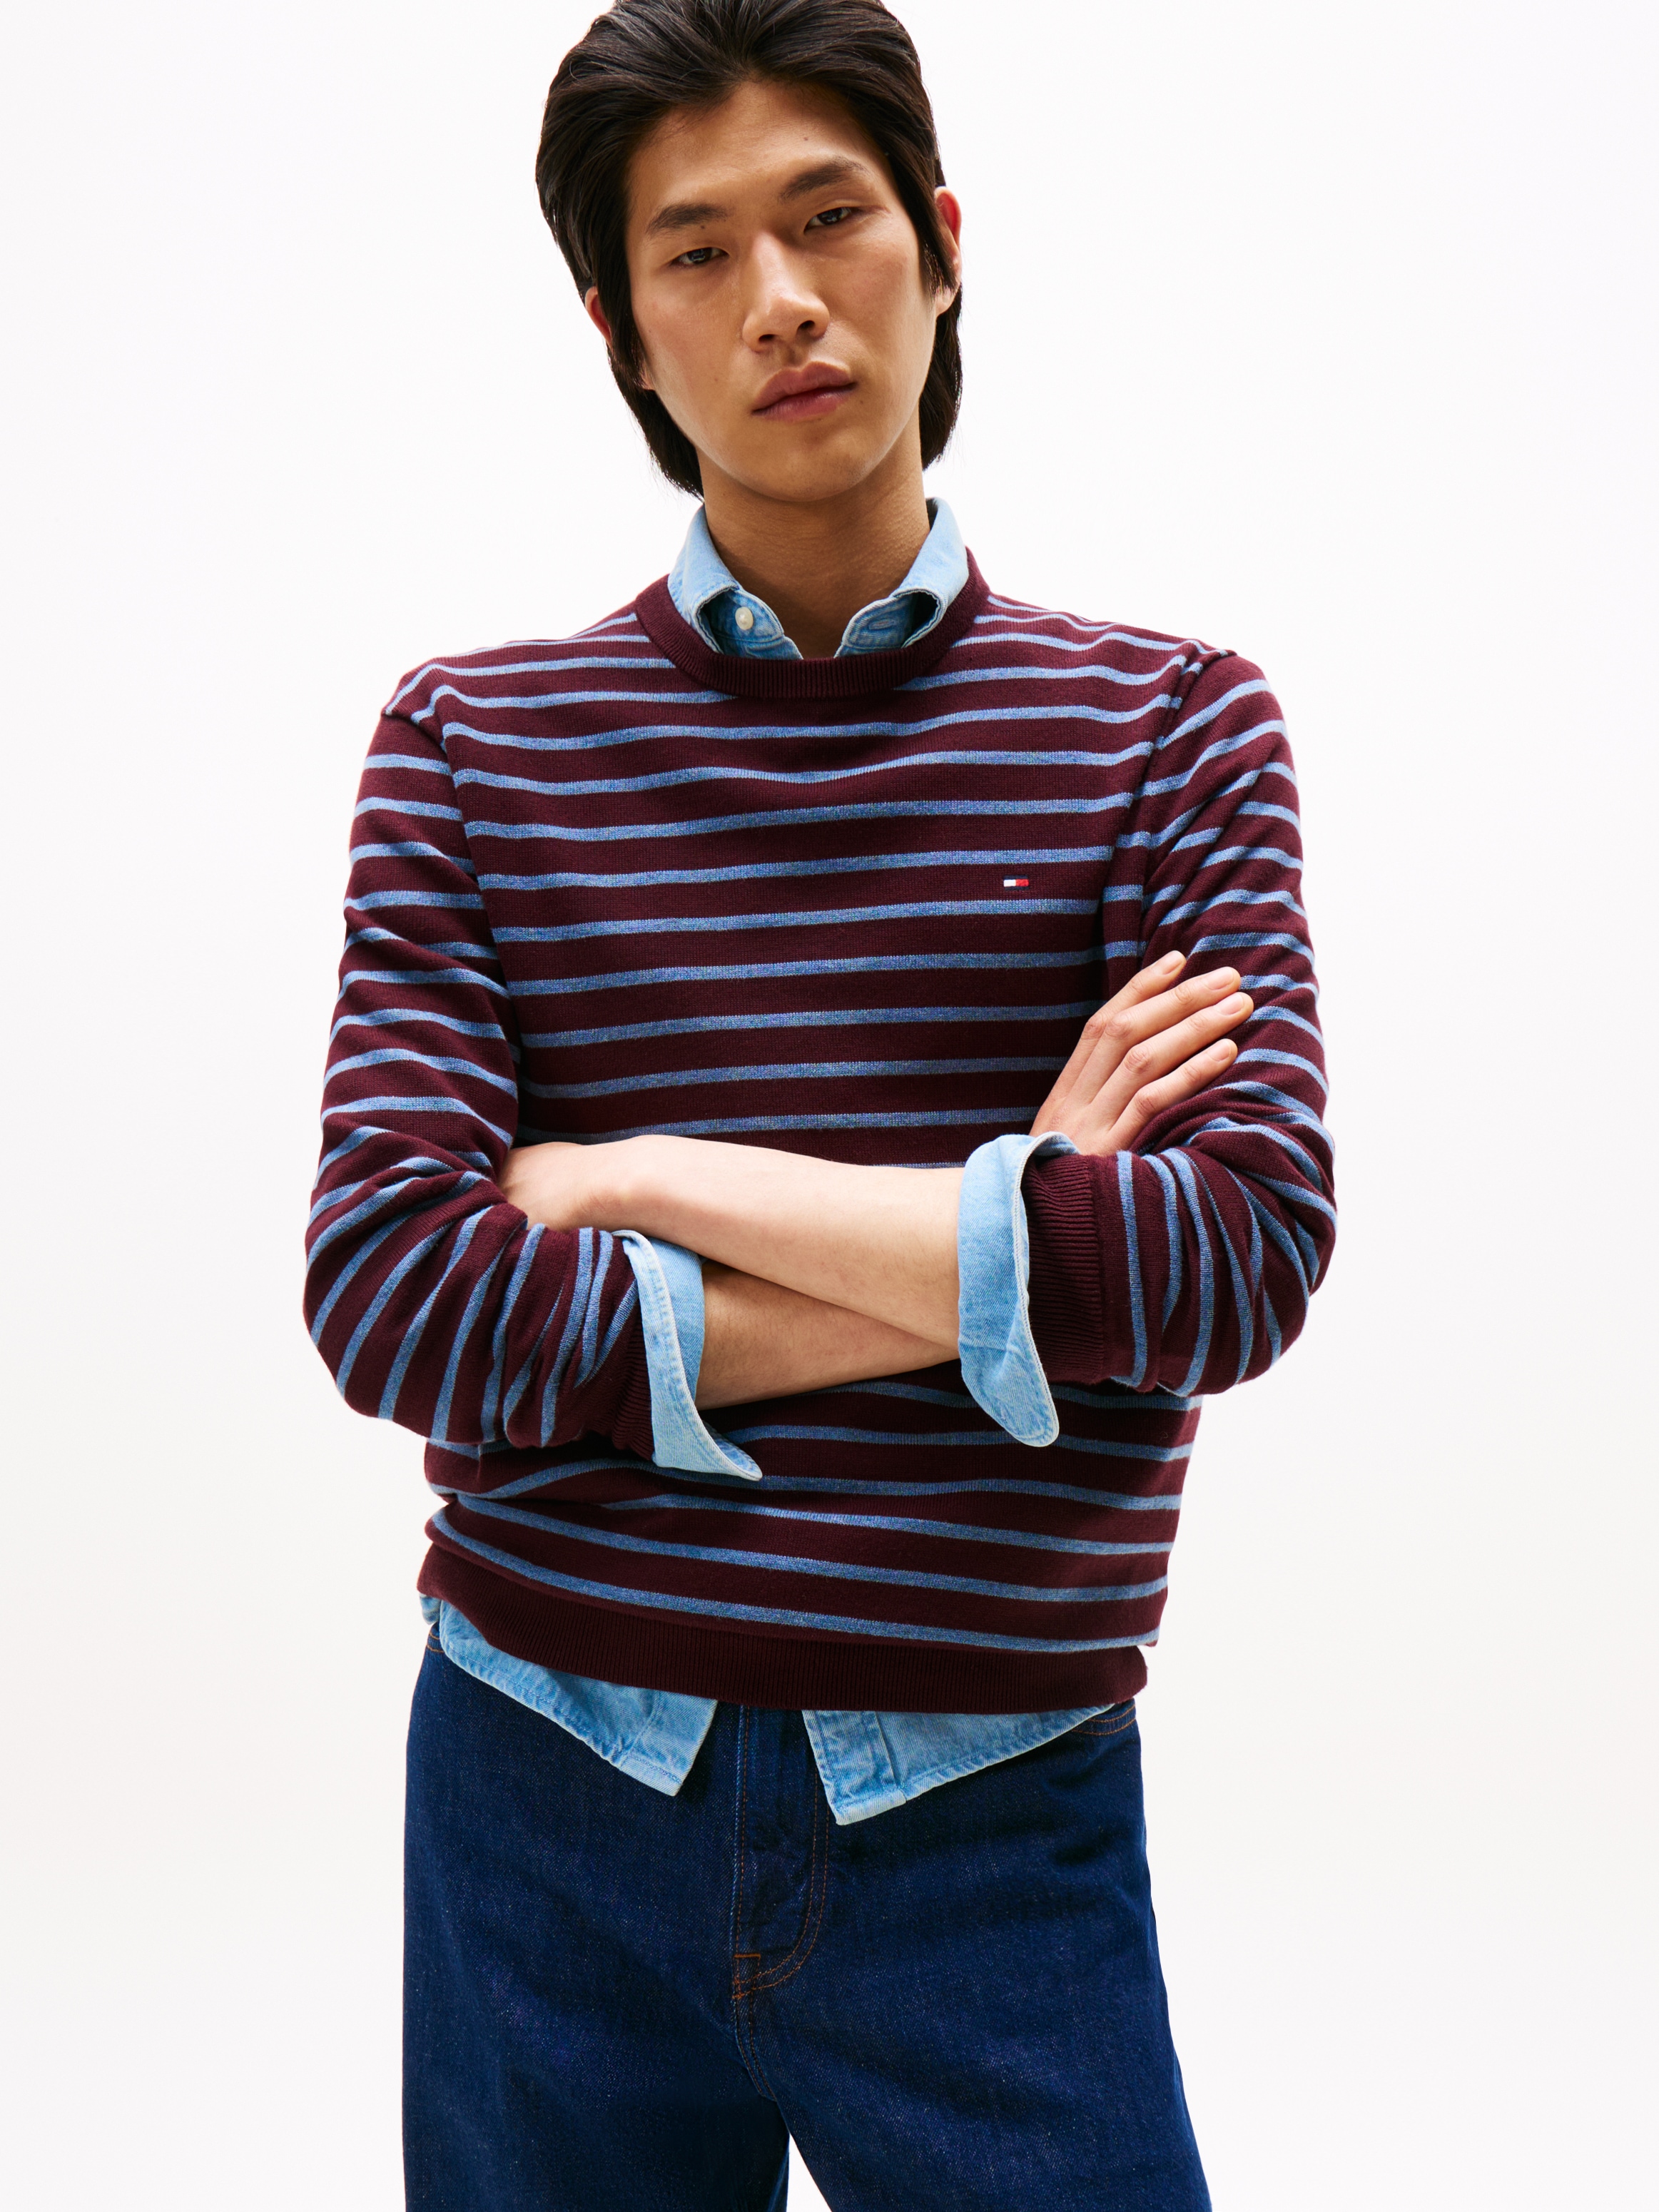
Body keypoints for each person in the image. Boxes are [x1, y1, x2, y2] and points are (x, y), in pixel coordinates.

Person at [304, 2, 1335, 2204]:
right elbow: (396, 1296)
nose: (778, 298)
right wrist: (1011, 1234)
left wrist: (641, 1177)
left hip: (991, 1806)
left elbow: (1233, 1260)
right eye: (696, 253)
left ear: (939, 244)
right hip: (543, 1781)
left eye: (828, 217)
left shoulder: (1169, 730)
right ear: (622, 332)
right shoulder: (473, 749)